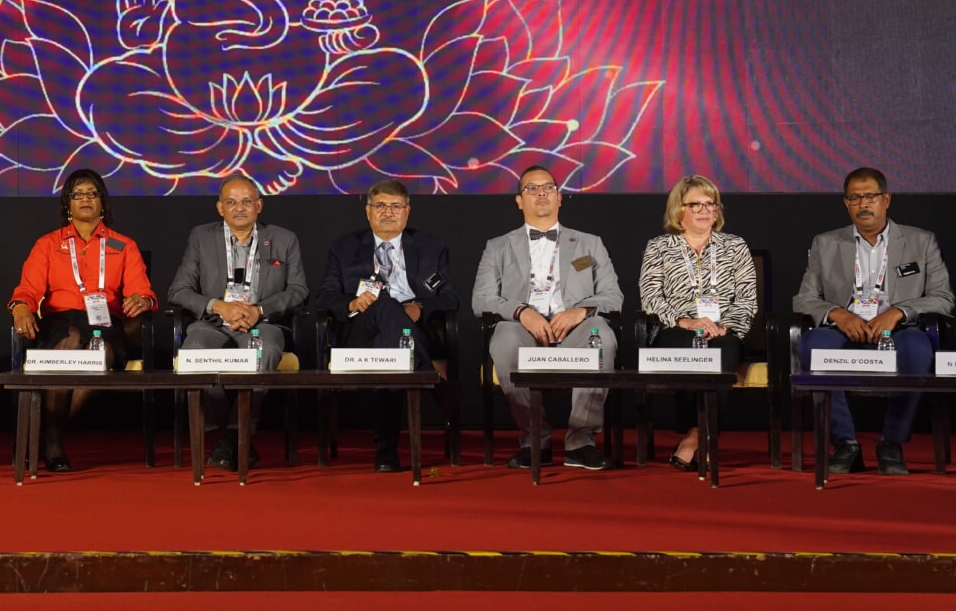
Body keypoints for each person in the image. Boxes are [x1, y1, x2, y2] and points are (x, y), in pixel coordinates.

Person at [792, 167, 951, 475]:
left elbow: (943, 298)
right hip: (843, 327)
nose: (863, 204)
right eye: (855, 198)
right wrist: (837, 314)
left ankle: (892, 442)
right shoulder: (826, 243)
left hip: (899, 328)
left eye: (870, 196)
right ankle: (846, 443)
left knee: (918, 349)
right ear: (846, 203)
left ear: (886, 199)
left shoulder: (920, 241)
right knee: (812, 344)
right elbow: (804, 299)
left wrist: (899, 312)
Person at [473, 164, 623, 471]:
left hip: (576, 329)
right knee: (503, 337)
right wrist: (521, 311)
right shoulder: (498, 247)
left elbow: (612, 295)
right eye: (532, 188)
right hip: (522, 329)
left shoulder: (589, 243)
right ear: (519, 200)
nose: (541, 193)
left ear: (559, 197)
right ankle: (535, 439)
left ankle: (581, 442)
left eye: (548, 187)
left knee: (601, 335)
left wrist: (581, 311)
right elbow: (482, 299)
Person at [9, 168, 156, 472]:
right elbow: (27, 290)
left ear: (103, 202)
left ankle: (45, 436)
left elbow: (143, 292)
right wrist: (21, 308)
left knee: (98, 352)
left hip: (105, 323)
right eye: (78, 194)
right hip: (60, 321)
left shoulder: (123, 245)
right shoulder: (48, 244)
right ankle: (52, 442)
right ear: (68, 203)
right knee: (71, 340)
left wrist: (142, 300)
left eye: (92, 193)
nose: (86, 199)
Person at [167, 173, 308, 471]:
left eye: (246, 201)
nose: (239, 208)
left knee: (265, 350)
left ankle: (230, 437)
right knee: (194, 351)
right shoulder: (201, 237)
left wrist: (259, 310)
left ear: (259, 205)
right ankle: (234, 435)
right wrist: (219, 306)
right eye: (231, 202)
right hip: (213, 323)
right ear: (220, 208)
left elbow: (298, 290)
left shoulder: (284, 239)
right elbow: (178, 290)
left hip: (262, 324)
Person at [317, 179, 459, 473]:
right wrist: (352, 303)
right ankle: (430, 374)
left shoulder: (431, 246)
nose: (388, 213)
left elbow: (449, 298)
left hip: (412, 330)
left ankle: (386, 450)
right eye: (380, 206)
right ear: (368, 211)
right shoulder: (344, 248)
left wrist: (420, 307)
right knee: (384, 305)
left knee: (391, 343)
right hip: (360, 331)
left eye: (395, 206)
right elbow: (325, 296)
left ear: (407, 211)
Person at [638, 175, 756, 471]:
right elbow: (651, 297)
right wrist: (686, 321)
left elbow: (747, 299)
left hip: (724, 330)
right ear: (678, 209)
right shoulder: (659, 246)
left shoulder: (735, 246)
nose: (705, 210)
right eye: (695, 205)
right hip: (675, 329)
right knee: (693, 346)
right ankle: (704, 435)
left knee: (724, 350)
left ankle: (696, 435)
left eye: (710, 204)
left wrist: (725, 326)